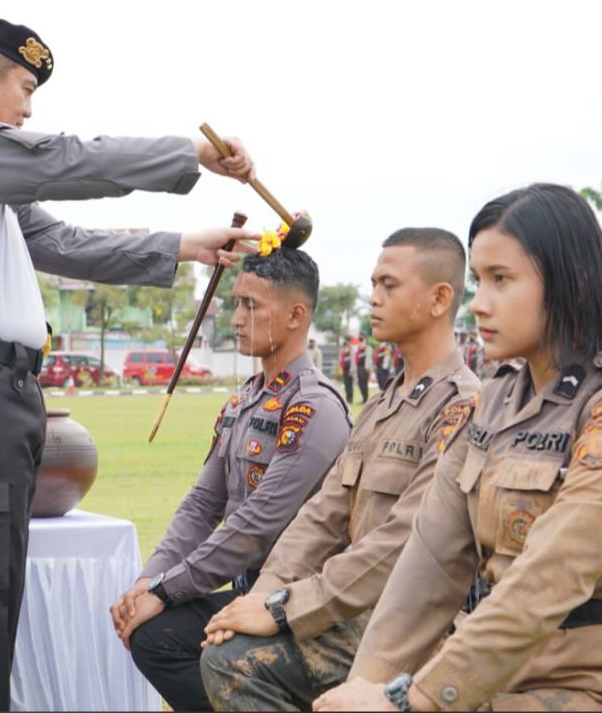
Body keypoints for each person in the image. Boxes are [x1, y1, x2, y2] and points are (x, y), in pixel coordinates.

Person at [0, 13, 260, 711]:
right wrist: (189, 156)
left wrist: (184, 246)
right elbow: (65, 160)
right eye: (24, 88)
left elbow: (60, 242)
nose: (29, 109)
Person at [316, 182, 602, 713]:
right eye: (477, 280)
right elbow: (432, 561)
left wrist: (415, 700)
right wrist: (367, 684)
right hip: (498, 684)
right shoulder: (487, 408)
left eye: (501, 280)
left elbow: (549, 575)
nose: (479, 304)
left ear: (570, 284)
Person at [198, 228, 482, 711]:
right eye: (373, 284)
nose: (373, 298)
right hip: (357, 612)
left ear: (439, 299)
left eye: (388, 286)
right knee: (227, 649)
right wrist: (261, 596)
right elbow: (321, 517)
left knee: (236, 661)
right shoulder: (380, 405)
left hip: (420, 626)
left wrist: (283, 609)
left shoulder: (461, 406)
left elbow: (405, 539)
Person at [111, 246, 350, 711]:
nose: (237, 318)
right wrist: (148, 581)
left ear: (296, 315)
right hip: (248, 593)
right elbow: (202, 505)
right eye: (237, 303)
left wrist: (167, 590)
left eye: (252, 305)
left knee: (180, 639)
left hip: (302, 606)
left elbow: (256, 526)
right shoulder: (247, 400)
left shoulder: (314, 408)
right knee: (154, 634)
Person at [354, 337, 374, 403]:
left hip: (365, 368)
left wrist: (369, 368)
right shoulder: (358, 350)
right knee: (360, 384)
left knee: (364, 384)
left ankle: (366, 399)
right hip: (359, 368)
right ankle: (363, 398)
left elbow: (369, 359)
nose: (359, 344)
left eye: (360, 342)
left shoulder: (367, 348)